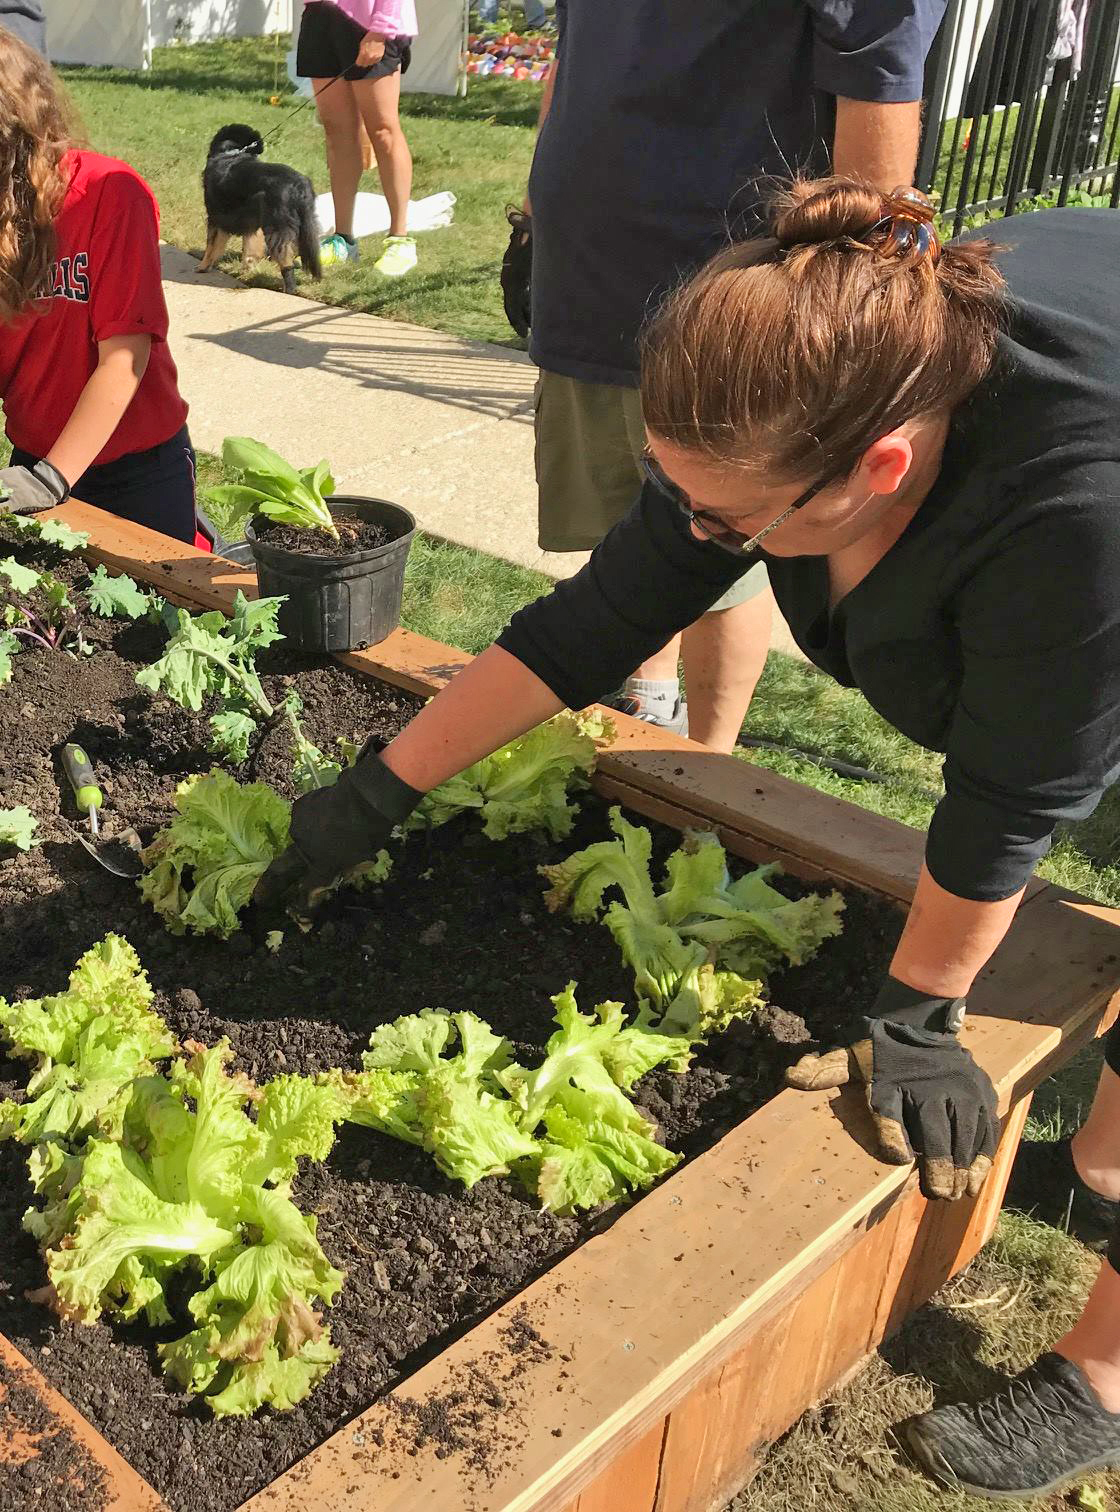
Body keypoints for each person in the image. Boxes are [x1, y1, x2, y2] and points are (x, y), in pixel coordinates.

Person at [256, 183, 1120, 1497]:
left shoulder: (1074, 519)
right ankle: (1097, 1165)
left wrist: (921, 1008)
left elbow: (1012, 798)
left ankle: (1105, 1367)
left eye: (723, 522)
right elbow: (593, 621)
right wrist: (378, 790)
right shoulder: (801, 387)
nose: (696, 531)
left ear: (879, 469)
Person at [520, 0, 944, 751]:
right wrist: (539, 202)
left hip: (732, 289)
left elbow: (879, 74)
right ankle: (647, 700)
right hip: (587, 264)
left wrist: (855, 302)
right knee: (624, 526)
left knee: (726, 545)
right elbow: (575, 37)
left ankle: (707, 776)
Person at [0, 22, 198, 544]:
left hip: (138, 470)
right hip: (32, 469)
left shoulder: (110, 194)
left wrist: (54, 478)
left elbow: (124, 359)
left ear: (6, 122)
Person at [297, 0, 418, 279]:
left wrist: (380, 30)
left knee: (383, 130)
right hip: (320, 16)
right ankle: (343, 239)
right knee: (336, 130)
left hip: (370, 20)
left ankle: (400, 239)